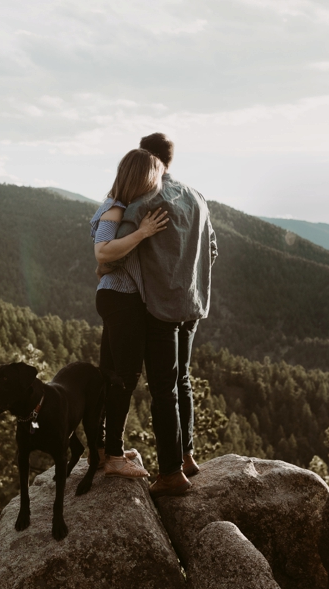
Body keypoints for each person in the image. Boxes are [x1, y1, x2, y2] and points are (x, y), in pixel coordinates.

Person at [115, 133, 218, 497]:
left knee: (163, 390)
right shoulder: (198, 198)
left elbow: (116, 253)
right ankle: (187, 455)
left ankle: (172, 473)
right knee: (183, 379)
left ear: (146, 158)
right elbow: (214, 249)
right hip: (192, 304)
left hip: (159, 307)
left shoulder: (144, 203)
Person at [89, 148, 170, 478]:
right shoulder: (117, 208)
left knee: (109, 375)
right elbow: (102, 251)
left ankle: (101, 446)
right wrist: (143, 233)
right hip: (121, 300)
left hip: (113, 297)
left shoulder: (114, 205)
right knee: (125, 377)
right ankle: (115, 456)